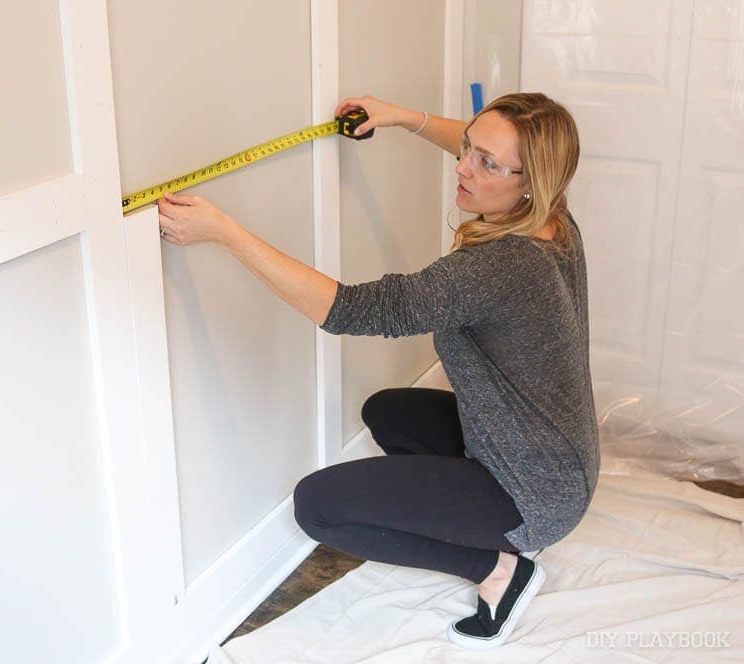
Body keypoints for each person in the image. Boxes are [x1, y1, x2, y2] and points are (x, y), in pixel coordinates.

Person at [156, 92, 600, 650]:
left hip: (534, 493)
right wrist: (403, 118)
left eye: (485, 163)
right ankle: (475, 513)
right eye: (467, 148)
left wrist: (226, 234)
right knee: (388, 413)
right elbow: (488, 148)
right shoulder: (552, 217)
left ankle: (497, 568)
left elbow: (352, 310)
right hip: (562, 459)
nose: (462, 166)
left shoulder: (498, 266)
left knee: (318, 507)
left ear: (531, 179)